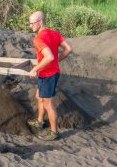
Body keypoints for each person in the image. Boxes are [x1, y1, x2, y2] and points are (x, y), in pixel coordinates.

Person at [27, 11, 72, 141]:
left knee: (48, 103)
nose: (30, 26)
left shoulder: (38, 38)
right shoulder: (55, 34)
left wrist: (35, 68)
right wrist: (56, 61)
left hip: (48, 74)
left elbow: (49, 57)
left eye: (32, 23)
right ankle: (40, 121)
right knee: (38, 96)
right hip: (49, 72)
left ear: (40, 22)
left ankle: (54, 132)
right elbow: (68, 49)